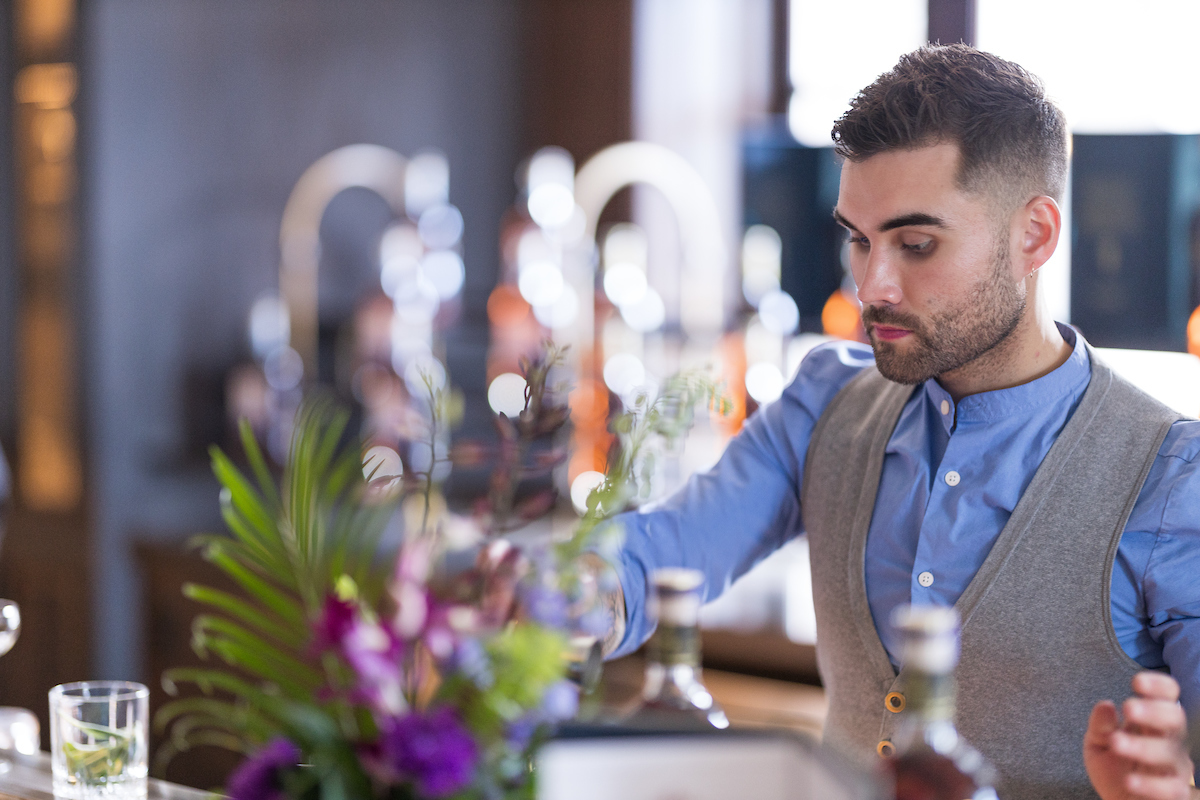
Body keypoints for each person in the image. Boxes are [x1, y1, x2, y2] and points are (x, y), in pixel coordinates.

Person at [583, 44, 1199, 800]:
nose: (872, 284)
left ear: (1034, 236)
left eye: (916, 244)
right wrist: (555, 596)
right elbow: (661, 558)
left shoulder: (1173, 484)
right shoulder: (823, 405)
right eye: (858, 239)